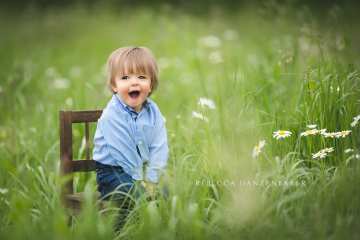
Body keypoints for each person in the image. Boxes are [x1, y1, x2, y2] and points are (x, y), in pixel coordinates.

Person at [92, 46, 169, 231]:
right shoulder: (112, 115)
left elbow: (160, 145)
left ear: (150, 84)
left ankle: (158, 230)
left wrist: (153, 176)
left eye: (141, 77)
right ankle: (120, 232)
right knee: (134, 195)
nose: (134, 83)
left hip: (141, 170)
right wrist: (142, 181)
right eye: (125, 78)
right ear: (114, 85)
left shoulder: (153, 111)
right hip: (112, 172)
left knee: (167, 192)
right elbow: (122, 151)